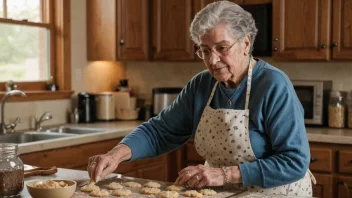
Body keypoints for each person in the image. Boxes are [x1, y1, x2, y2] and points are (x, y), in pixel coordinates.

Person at [87, 1, 315, 196]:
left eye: (222, 48)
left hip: (275, 193)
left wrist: (225, 174)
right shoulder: (201, 85)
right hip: (223, 190)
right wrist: (116, 154)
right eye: (204, 51)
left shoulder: (273, 85)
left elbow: (294, 161)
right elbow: (159, 131)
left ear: (246, 43)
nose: (213, 60)